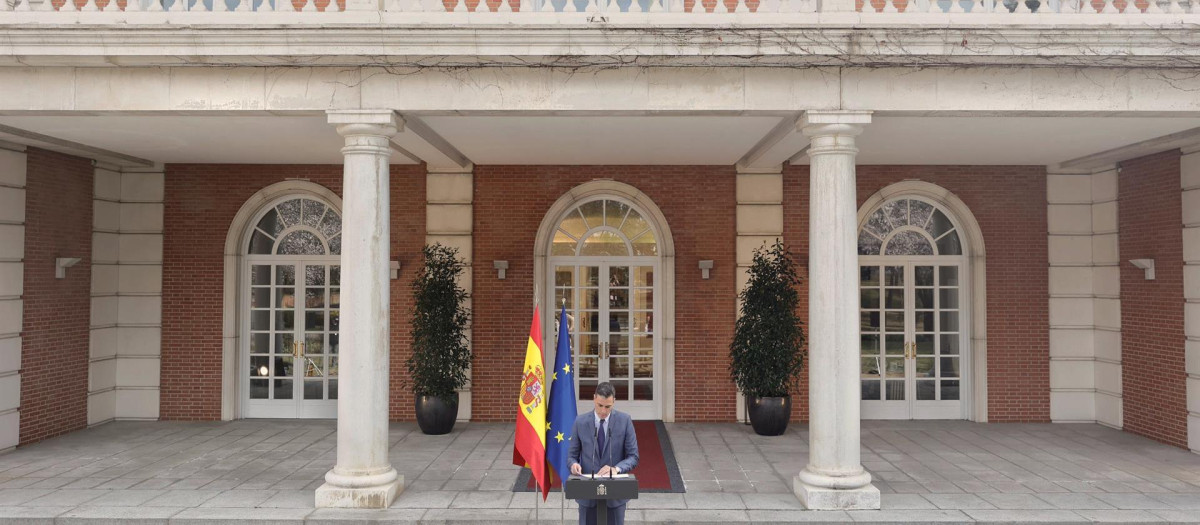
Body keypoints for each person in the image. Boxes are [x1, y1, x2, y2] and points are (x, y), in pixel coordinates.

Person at [568, 382, 639, 525]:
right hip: (587, 495)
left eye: (608, 407)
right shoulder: (580, 422)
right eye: (600, 405)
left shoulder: (624, 421)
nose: (603, 411)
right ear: (594, 398)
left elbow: (633, 456)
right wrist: (573, 465)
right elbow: (571, 456)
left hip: (615, 495)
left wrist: (616, 468)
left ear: (614, 401)